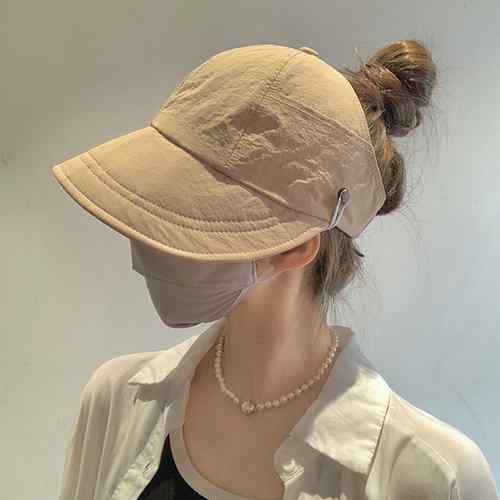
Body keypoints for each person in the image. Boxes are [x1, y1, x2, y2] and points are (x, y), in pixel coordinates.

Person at [52, 41, 499, 499]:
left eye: (187, 216)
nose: (146, 243)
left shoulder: (435, 478)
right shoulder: (115, 400)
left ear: (296, 246)